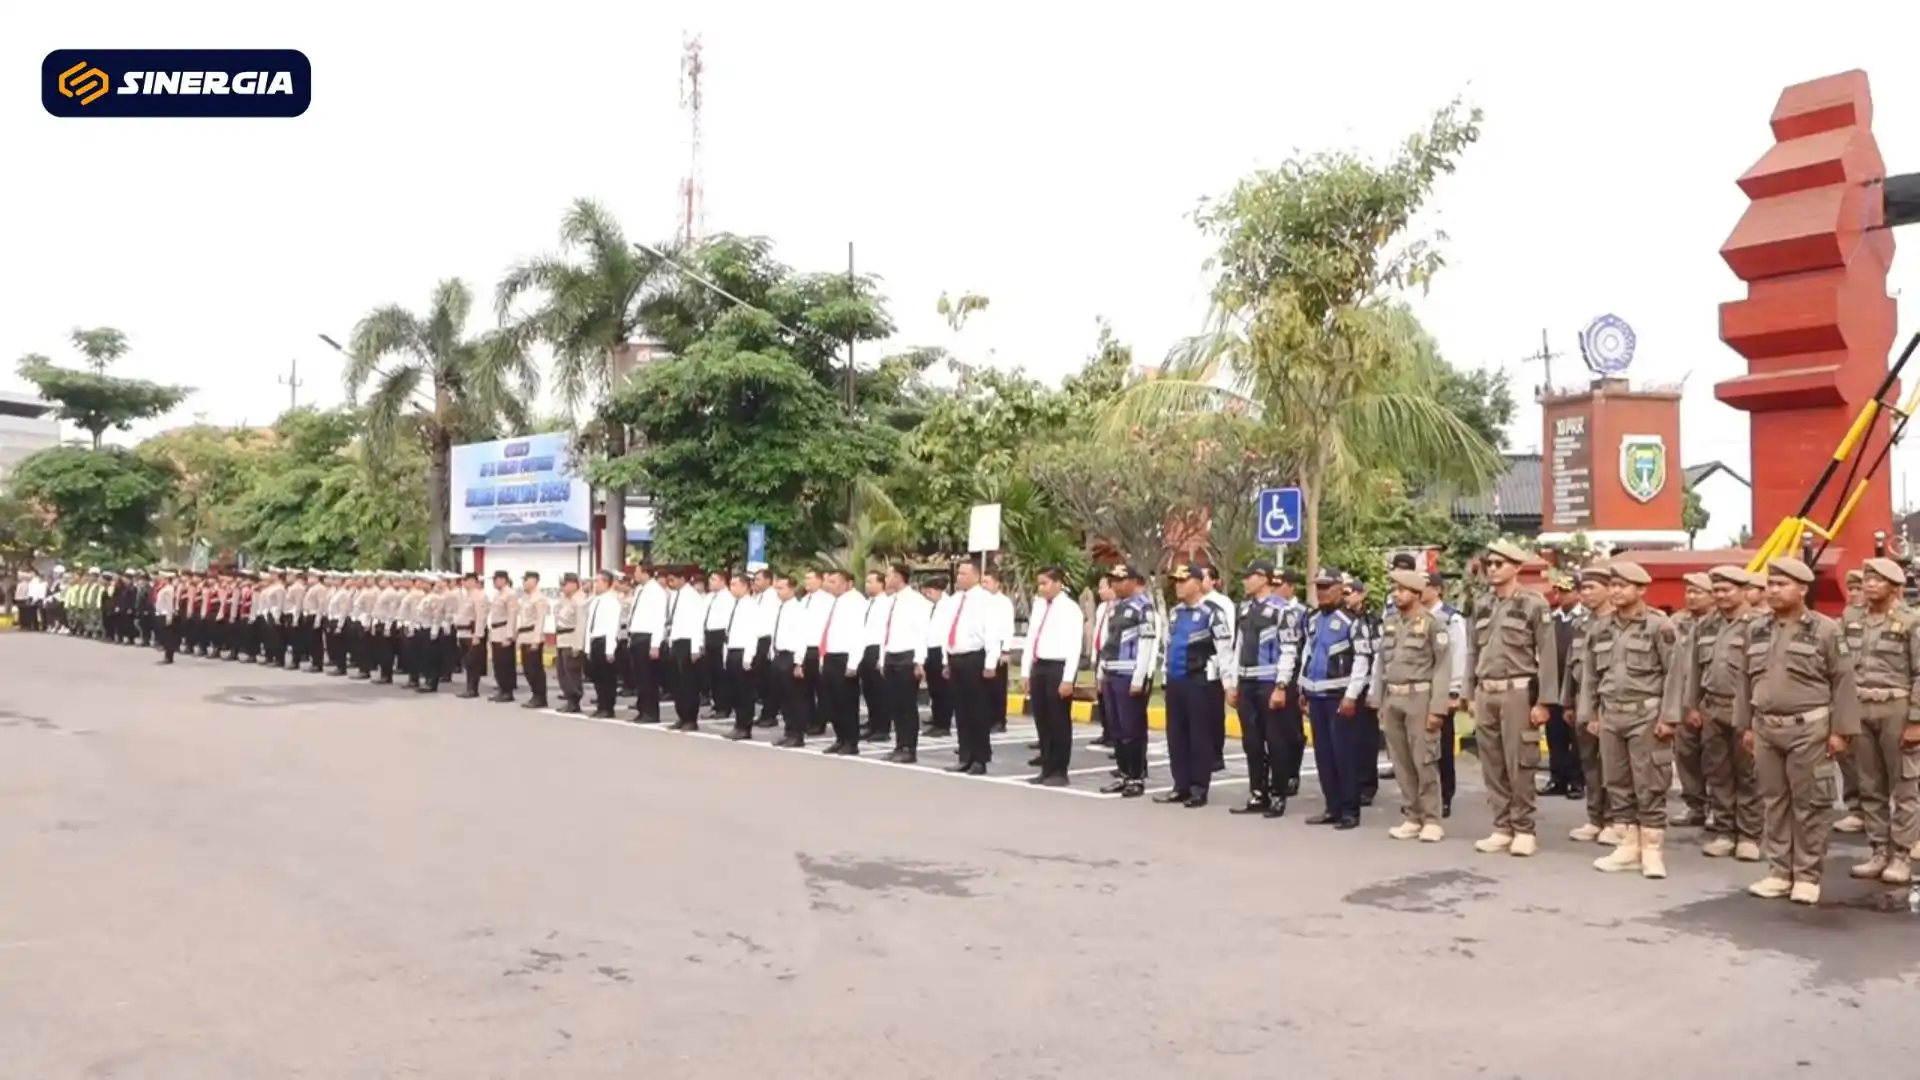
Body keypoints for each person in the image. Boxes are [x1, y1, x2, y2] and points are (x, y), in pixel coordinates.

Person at [1735, 556, 1859, 905]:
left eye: (1781, 584)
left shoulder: (1825, 630)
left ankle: (1806, 875)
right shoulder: (1756, 628)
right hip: (1766, 728)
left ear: (1802, 589)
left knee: (1810, 804)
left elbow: (1844, 681)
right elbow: (1745, 680)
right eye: (1770, 584)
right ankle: (1778, 871)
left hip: (1810, 728)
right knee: (1774, 802)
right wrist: (1745, 724)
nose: (1772, 590)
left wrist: (1841, 731)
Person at [1582, 561, 1680, 879]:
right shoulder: (1601, 627)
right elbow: (1590, 675)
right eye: (1613, 585)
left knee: (1649, 781)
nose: (1616, 591)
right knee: (1617, 782)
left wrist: (1669, 717)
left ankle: (1652, 849)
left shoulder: (1658, 626)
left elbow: (1675, 674)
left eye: (1623, 585)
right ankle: (1628, 846)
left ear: (1641, 589)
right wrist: (1590, 712)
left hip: (1646, 715)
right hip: (1611, 714)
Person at [1465, 539, 1561, 857]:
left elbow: (1546, 656)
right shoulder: (1482, 604)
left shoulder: (1533, 604)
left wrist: (1545, 701)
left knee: (1521, 761)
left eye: (1499, 564)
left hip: (1518, 691)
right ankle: (1502, 825)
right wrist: (1469, 693)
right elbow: (1472, 652)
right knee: (1492, 763)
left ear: (1516, 567)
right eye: (1489, 564)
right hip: (1486, 690)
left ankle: (1524, 827)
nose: (1492, 569)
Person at [1841, 557, 1918, 885]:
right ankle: (1878, 850)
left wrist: (1916, 720)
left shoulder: (1911, 620)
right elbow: (1842, 669)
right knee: (1869, 783)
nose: (1870, 584)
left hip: (1896, 707)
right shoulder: (1851, 617)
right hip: (1860, 707)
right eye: (1867, 578)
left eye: (1878, 580)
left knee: (1904, 785)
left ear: (1895, 587)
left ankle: (1901, 854)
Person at [1681, 565, 1764, 862]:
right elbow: (1693, 669)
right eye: (1716, 590)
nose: (1720, 595)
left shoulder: (1760, 624)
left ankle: (1750, 834)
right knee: (1718, 772)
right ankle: (1725, 831)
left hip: (1746, 708)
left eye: (1726, 590)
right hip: (1712, 707)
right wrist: (1692, 705)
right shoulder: (1705, 625)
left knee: (1748, 773)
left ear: (1743, 590)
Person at [1372, 567, 1454, 842]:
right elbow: (1383, 663)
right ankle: (1412, 815)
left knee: (1424, 759)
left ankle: (1431, 818)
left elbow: (1443, 667)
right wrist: (1379, 699)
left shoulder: (1434, 624)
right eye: (1395, 589)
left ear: (1417, 594)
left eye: (1402, 590)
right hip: (1393, 696)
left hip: (1420, 697)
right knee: (1401, 760)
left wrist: (1438, 707)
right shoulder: (1392, 623)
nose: (1396, 594)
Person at [1288, 568, 1373, 829]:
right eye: (1318, 587)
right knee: (1324, 755)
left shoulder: (1353, 621)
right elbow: (1308, 654)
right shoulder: (1313, 619)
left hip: (1340, 696)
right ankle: (1332, 806)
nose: (1321, 592)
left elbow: (1362, 660)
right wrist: (1302, 688)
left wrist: (1351, 696)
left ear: (1340, 588)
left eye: (1326, 587)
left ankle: (1350, 810)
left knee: (1344, 755)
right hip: (1316, 695)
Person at [1157, 564, 1233, 808]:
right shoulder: (1176, 613)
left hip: (1200, 681)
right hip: (1177, 681)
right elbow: (1169, 645)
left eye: (1183, 580)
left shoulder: (1213, 613)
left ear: (1199, 584)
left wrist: (1229, 684)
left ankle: (1199, 788)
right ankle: (1181, 785)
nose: (1178, 585)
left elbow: (1224, 651)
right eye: (1176, 581)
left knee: (1198, 736)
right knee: (1176, 736)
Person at [1228, 559, 1291, 818]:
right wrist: (1232, 683)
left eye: (1250, 576)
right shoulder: (1244, 609)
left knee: (1275, 740)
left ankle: (1278, 794)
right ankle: (1258, 792)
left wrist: (1281, 685)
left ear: (1264, 578)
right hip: (1247, 682)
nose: (1245, 581)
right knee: (1251, 742)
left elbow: (1288, 648)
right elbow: (1238, 647)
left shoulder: (1281, 609)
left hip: (1268, 682)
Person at [1563, 565, 1618, 844]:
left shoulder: (1618, 622)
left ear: (1609, 589)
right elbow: (1571, 666)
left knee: (1611, 763)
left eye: (1591, 588)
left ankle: (1613, 819)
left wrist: (1597, 708)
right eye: (1583, 588)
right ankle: (1595, 817)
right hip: (1581, 700)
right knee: (1589, 763)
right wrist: (1567, 702)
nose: (1585, 594)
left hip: (1607, 703)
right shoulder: (1581, 624)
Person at [1097, 562, 1157, 797]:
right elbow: (1108, 641)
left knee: (1132, 728)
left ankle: (1136, 776)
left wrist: (1139, 678)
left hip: (1129, 673)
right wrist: (1102, 671)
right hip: (1112, 672)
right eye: (1114, 580)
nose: (1116, 584)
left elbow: (1146, 643)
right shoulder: (1115, 607)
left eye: (1122, 580)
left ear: (1133, 582)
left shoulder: (1144, 607)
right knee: (1117, 728)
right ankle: (1123, 773)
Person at [1022, 565, 1083, 786]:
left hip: (1058, 667)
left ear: (1058, 583)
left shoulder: (1070, 608)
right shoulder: (1039, 606)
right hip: (1039, 665)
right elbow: (1031, 638)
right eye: (1039, 584)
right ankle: (1046, 767)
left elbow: (1075, 645)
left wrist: (1068, 678)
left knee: (1058, 721)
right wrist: (1025, 671)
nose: (1042, 588)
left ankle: (1059, 770)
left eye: (1045, 583)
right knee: (1042, 720)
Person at [943, 561, 1003, 774]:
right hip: (956, 657)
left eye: (963, 574)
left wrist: (990, 663)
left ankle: (980, 758)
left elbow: (992, 633)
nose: (958, 577)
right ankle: (965, 755)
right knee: (961, 710)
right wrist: (946, 660)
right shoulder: (954, 600)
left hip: (975, 658)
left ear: (976, 576)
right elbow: (948, 631)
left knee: (977, 710)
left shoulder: (986, 600)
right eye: (958, 573)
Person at [1670, 572, 1714, 827]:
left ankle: (1719, 807)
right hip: (1682, 699)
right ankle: (1694, 804)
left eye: (1698, 591)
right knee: (1685, 754)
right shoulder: (1676, 622)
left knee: (1715, 757)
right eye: (1688, 591)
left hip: (1710, 699)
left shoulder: (1719, 623)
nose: (1691, 596)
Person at [881, 564, 933, 763]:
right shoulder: (891, 601)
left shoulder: (916, 601)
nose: (886, 579)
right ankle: (899, 745)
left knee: (907, 705)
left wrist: (919, 660)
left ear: (899, 577)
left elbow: (921, 632)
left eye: (889, 575)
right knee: (894, 704)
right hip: (891, 654)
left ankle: (909, 747)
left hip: (907, 656)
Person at [1542, 573, 1584, 797]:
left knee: (1577, 737)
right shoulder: (1551, 618)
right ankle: (1557, 778)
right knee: (1554, 735)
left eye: (1566, 591)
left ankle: (1577, 781)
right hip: (1553, 682)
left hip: (1576, 685)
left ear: (1578, 592)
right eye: (1558, 591)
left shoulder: (1585, 619)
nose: (1561, 595)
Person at [817, 568, 866, 753]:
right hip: (831, 655)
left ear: (847, 583)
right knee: (833, 702)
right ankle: (840, 738)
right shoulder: (834, 602)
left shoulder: (856, 602)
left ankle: (851, 741)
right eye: (828, 582)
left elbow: (858, 634)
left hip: (845, 657)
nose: (830, 585)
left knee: (846, 702)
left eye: (834, 582)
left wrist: (853, 663)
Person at [1835, 568, 1870, 834]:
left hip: (1883, 697)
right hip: (1852, 697)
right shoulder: (1847, 618)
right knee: (1849, 757)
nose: (1855, 593)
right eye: (1852, 588)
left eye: (1859, 587)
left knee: (1892, 765)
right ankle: (1857, 809)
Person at [1343, 577, 1381, 805]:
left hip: (1365, 685)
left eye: (1349, 592)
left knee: (1366, 738)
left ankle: (1367, 784)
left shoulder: (1371, 620)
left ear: (1361, 594)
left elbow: (1377, 657)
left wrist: (1374, 690)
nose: (1346, 597)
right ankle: (1349, 783)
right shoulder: (1338, 618)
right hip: (1341, 683)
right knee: (1347, 739)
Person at [1200, 566, 1237, 774]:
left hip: (1215, 664)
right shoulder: (1195, 603)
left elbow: (1227, 635)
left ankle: (1216, 754)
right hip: (1197, 666)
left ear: (1214, 581)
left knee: (1214, 712)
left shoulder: (1222, 603)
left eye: (1204, 577)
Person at [770, 573, 812, 748]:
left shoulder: (798, 609)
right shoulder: (781, 607)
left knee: (795, 698)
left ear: (792, 589)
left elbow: (802, 637)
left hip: (792, 657)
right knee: (784, 697)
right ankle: (789, 730)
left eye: (782, 588)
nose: (778, 591)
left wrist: (798, 662)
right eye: (777, 588)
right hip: (780, 655)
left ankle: (797, 734)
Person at [663, 568, 704, 728]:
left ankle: (691, 719)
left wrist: (695, 646)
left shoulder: (692, 596)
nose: (670, 583)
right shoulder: (674, 595)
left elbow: (697, 622)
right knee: (676, 682)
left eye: (672, 579)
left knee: (688, 683)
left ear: (682, 579)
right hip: (675, 641)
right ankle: (681, 715)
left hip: (688, 642)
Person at [720, 575, 759, 739]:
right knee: (735, 691)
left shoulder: (750, 606)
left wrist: (748, 656)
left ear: (745, 586)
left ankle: (745, 726)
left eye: (735, 584)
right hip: (732, 649)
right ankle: (738, 723)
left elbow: (753, 633)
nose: (731, 588)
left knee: (744, 692)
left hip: (743, 651)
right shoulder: (735, 605)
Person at [627, 564, 665, 723]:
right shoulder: (639, 590)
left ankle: (651, 712)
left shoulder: (656, 591)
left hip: (647, 637)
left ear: (645, 573)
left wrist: (655, 644)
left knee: (648, 677)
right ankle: (642, 709)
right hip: (636, 635)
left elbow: (659, 618)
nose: (634, 575)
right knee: (639, 677)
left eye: (636, 572)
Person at [982, 569, 1017, 735]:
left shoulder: (1003, 602)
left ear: (997, 584)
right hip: (985, 649)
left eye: (987, 582)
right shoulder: (982, 601)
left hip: (999, 649)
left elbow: (1008, 627)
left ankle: (999, 720)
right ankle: (987, 718)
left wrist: (1006, 650)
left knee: (998, 687)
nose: (984, 586)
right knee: (985, 689)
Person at [858, 570, 891, 743]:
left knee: (880, 691)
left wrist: (882, 656)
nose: (867, 585)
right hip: (865, 647)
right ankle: (873, 723)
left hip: (877, 648)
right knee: (869, 690)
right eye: (867, 581)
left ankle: (882, 728)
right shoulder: (868, 603)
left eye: (871, 582)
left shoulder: (886, 603)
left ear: (881, 584)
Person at [585, 570, 624, 718]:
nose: (595, 584)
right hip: (595, 640)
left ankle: (608, 707)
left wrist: (610, 649)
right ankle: (601, 704)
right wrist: (588, 646)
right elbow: (590, 625)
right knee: (598, 677)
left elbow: (612, 626)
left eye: (598, 581)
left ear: (606, 583)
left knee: (607, 677)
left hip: (605, 641)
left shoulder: (612, 601)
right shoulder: (596, 601)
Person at [923, 575, 957, 738]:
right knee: (934, 689)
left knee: (943, 690)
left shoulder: (948, 606)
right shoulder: (933, 606)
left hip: (941, 650)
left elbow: (946, 634)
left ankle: (943, 724)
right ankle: (936, 720)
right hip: (930, 650)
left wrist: (945, 660)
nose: (927, 596)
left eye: (929, 592)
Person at [553, 573, 587, 715]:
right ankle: (568, 698)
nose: (563, 588)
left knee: (572, 672)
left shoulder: (580, 601)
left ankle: (574, 701)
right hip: (562, 640)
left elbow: (581, 624)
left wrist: (577, 646)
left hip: (572, 640)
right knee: (562, 672)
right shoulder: (565, 600)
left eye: (565, 584)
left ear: (574, 584)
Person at [1088, 576, 1116, 750]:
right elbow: (1096, 633)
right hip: (1099, 652)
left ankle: (1114, 734)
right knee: (1101, 695)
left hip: (1110, 654)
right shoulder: (1101, 608)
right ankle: (1106, 732)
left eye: (1103, 587)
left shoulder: (1118, 608)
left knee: (1110, 695)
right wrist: (1092, 657)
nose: (1100, 591)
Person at [702, 570, 734, 720]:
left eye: (714, 579)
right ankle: (716, 704)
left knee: (721, 673)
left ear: (722, 581)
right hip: (708, 634)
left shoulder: (728, 598)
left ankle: (724, 706)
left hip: (720, 635)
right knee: (711, 673)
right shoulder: (708, 597)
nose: (711, 582)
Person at [517, 572, 551, 710]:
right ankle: (534, 694)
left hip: (533, 636)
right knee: (527, 669)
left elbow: (540, 620)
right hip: (525, 635)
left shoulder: (539, 598)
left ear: (534, 581)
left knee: (535, 669)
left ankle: (540, 696)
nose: (524, 582)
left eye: (526, 580)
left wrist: (536, 640)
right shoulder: (526, 598)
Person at [486, 570, 519, 703]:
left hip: (504, 631)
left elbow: (512, 615)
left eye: (496, 579)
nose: (495, 582)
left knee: (505, 663)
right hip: (495, 632)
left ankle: (507, 690)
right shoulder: (497, 594)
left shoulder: (510, 594)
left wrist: (509, 635)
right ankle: (501, 688)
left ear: (503, 580)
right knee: (498, 663)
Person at [153, 571, 178, 664]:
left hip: (165, 614)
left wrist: (169, 616)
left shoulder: (169, 589)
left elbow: (169, 604)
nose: (161, 580)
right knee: (164, 636)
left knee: (168, 637)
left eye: (162, 579)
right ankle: (167, 655)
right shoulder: (164, 588)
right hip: (160, 613)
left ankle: (169, 657)